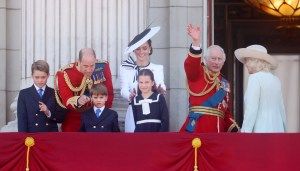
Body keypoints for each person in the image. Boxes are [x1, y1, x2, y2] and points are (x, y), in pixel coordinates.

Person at [180, 24, 239, 133]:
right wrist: (196, 42)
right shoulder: (198, 73)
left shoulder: (224, 83)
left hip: (218, 133)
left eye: (219, 59)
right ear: (206, 59)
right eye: (213, 58)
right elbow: (190, 64)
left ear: (223, 62)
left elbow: (225, 113)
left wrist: (234, 128)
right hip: (197, 129)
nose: (216, 62)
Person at [55, 48, 114, 132]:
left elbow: (109, 92)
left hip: (98, 118)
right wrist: (78, 100)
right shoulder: (65, 73)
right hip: (75, 119)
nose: (89, 70)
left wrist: (105, 115)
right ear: (78, 62)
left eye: (92, 65)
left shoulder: (103, 66)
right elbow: (66, 99)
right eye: (85, 66)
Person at [120, 26, 166, 132]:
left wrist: (159, 90)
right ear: (134, 50)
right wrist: (130, 96)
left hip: (153, 110)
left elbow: (161, 85)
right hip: (134, 109)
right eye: (138, 48)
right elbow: (123, 89)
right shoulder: (126, 67)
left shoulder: (157, 68)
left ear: (150, 49)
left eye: (144, 48)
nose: (141, 52)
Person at [235, 44, 286, 133]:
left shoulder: (255, 78)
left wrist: (245, 132)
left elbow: (251, 109)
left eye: (247, 60)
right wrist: (284, 129)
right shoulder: (275, 80)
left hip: (261, 131)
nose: (245, 64)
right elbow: (282, 109)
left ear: (255, 61)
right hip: (278, 129)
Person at [17, 60, 65, 132]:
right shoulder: (24, 94)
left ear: (48, 75)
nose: (40, 80)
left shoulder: (55, 93)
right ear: (32, 76)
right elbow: (22, 120)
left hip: (50, 135)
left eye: (43, 77)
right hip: (32, 137)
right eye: (37, 77)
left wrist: (48, 112)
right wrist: (23, 139)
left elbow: (61, 118)